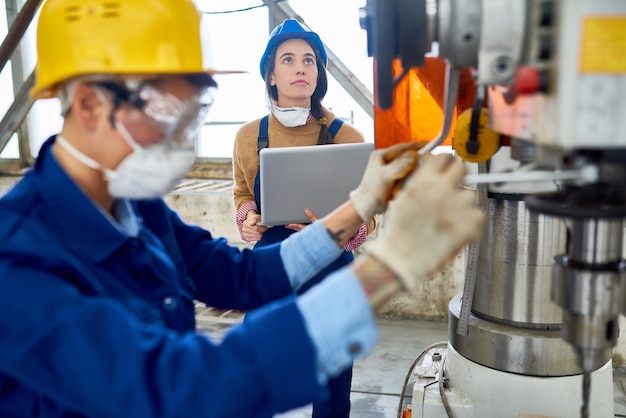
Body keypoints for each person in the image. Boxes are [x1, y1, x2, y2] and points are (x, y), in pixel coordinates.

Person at [0, 1, 485, 417]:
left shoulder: (136, 210)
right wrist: (388, 268)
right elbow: (189, 390)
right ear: (87, 103)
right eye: (169, 114)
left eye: (195, 113)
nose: (182, 139)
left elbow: (242, 277)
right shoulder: (19, 262)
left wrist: (360, 203)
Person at [232, 19, 371, 417]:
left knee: (331, 382)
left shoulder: (347, 137)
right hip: (272, 265)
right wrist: (248, 219)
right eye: (288, 60)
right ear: (270, 75)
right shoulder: (248, 136)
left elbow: (368, 218)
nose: (300, 68)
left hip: (332, 268)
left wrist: (334, 231)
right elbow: (242, 193)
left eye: (309, 60)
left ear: (318, 74)